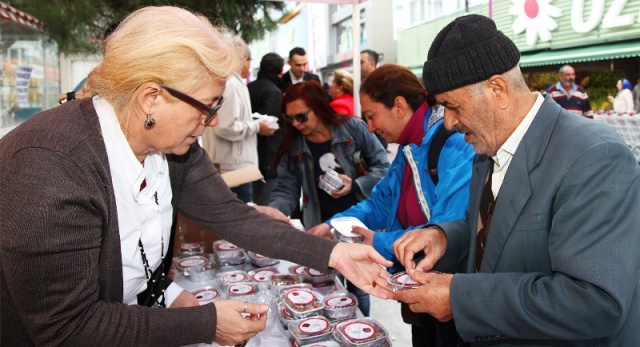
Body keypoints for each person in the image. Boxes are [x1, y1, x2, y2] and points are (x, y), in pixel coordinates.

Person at [0, 7, 395, 347]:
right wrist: (206, 322)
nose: (215, 121)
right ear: (151, 97)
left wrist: (333, 254)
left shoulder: (172, 147)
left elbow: (233, 216)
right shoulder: (49, 166)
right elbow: (68, 330)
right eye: (208, 106)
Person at [393, 14, 640, 346]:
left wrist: (459, 298)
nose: (448, 123)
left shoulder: (595, 155)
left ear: (497, 89)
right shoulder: (487, 150)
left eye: (453, 107)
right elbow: (496, 233)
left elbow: (595, 302)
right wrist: (444, 237)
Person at [308, 64, 475, 346]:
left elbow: (446, 230)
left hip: (449, 289)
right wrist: (333, 225)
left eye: (372, 117)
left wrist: (378, 242)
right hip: (417, 283)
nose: (370, 128)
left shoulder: (453, 144)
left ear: (399, 106)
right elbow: (380, 204)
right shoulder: (409, 149)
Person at [268, 80, 390, 316]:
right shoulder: (295, 144)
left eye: (301, 117)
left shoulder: (353, 128)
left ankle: (360, 331)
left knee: (359, 286)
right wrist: (274, 212)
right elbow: (286, 187)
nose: (295, 124)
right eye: (289, 119)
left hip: (357, 223)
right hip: (319, 224)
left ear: (318, 107)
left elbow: (384, 167)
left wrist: (354, 183)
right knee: (324, 286)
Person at [201, 37, 276, 203]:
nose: (249, 66)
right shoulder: (231, 84)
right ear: (241, 59)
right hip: (233, 168)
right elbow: (225, 126)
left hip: (229, 164)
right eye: (249, 60)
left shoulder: (226, 81)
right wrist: (257, 126)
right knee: (240, 218)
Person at [248, 53, 285, 205]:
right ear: (280, 71)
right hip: (268, 154)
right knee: (264, 200)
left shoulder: (248, 88)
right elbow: (270, 124)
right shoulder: (273, 91)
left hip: (250, 151)